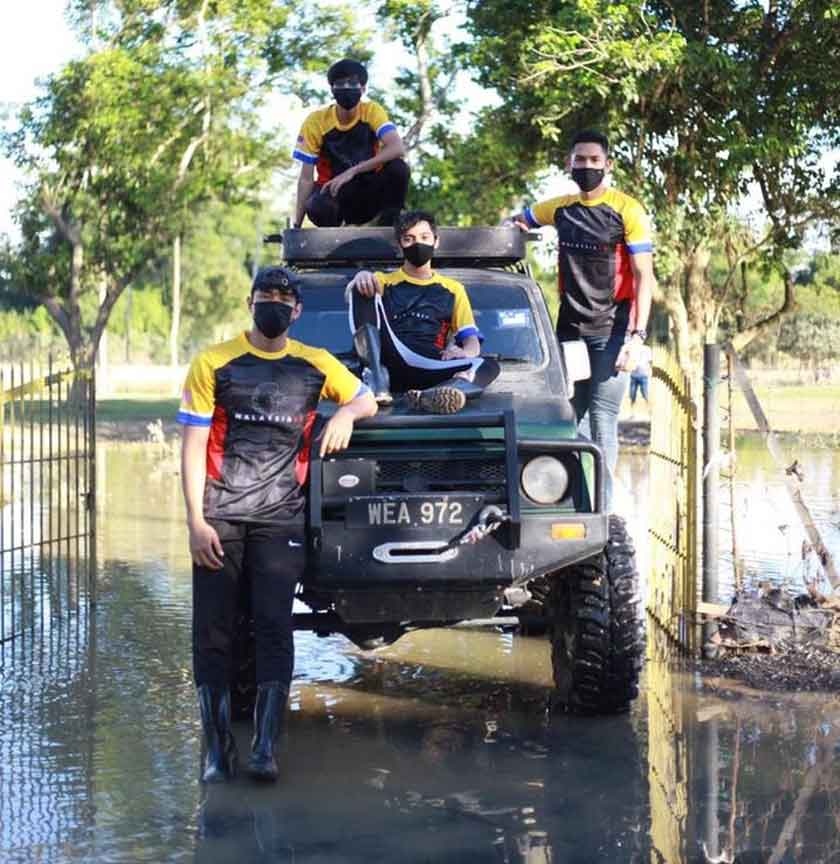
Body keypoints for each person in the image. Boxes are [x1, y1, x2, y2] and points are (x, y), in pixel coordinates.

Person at [178, 266, 377, 784]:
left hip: (280, 518)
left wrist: (344, 416)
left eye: (283, 297)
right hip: (220, 517)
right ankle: (217, 751)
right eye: (265, 295)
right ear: (250, 302)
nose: (274, 303)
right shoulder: (213, 362)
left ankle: (265, 748)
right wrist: (196, 521)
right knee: (213, 635)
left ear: (297, 310)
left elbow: (367, 396)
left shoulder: (315, 363)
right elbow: (193, 445)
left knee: (274, 628)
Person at [509, 129, 656, 510]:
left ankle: (600, 513)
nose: (587, 166)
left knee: (604, 417)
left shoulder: (628, 210)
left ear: (607, 165)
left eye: (594, 160)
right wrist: (518, 234)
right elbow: (519, 222)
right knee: (570, 416)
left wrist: (636, 338)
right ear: (568, 164)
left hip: (614, 331)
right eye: (580, 159)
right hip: (570, 330)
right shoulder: (559, 208)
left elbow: (645, 276)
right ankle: (566, 500)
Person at [345, 209, 500, 414]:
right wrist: (361, 277)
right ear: (400, 244)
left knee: (486, 365)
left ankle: (439, 394)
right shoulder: (383, 281)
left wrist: (463, 353)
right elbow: (353, 297)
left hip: (428, 364)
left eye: (424, 237)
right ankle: (376, 381)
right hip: (387, 359)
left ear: (436, 241)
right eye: (409, 239)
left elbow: (470, 338)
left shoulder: (453, 289)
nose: (418, 244)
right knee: (362, 287)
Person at [292, 59, 409, 228]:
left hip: (368, 191)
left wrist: (353, 171)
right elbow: (305, 179)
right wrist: (297, 225)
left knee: (398, 168)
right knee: (317, 206)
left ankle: (390, 224)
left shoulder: (371, 111)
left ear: (363, 88)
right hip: (334, 193)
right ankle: (333, 242)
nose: (347, 88)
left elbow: (397, 147)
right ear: (332, 89)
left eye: (353, 83)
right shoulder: (315, 122)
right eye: (340, 84)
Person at [629, 343, 653, 417]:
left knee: (645, 394)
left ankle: (650, 411)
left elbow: (650, 361)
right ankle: (632, 413)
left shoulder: (647, 349)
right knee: (632, 395)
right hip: (634, 375)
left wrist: (650, 371)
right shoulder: (632, 348)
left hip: (643, 375)